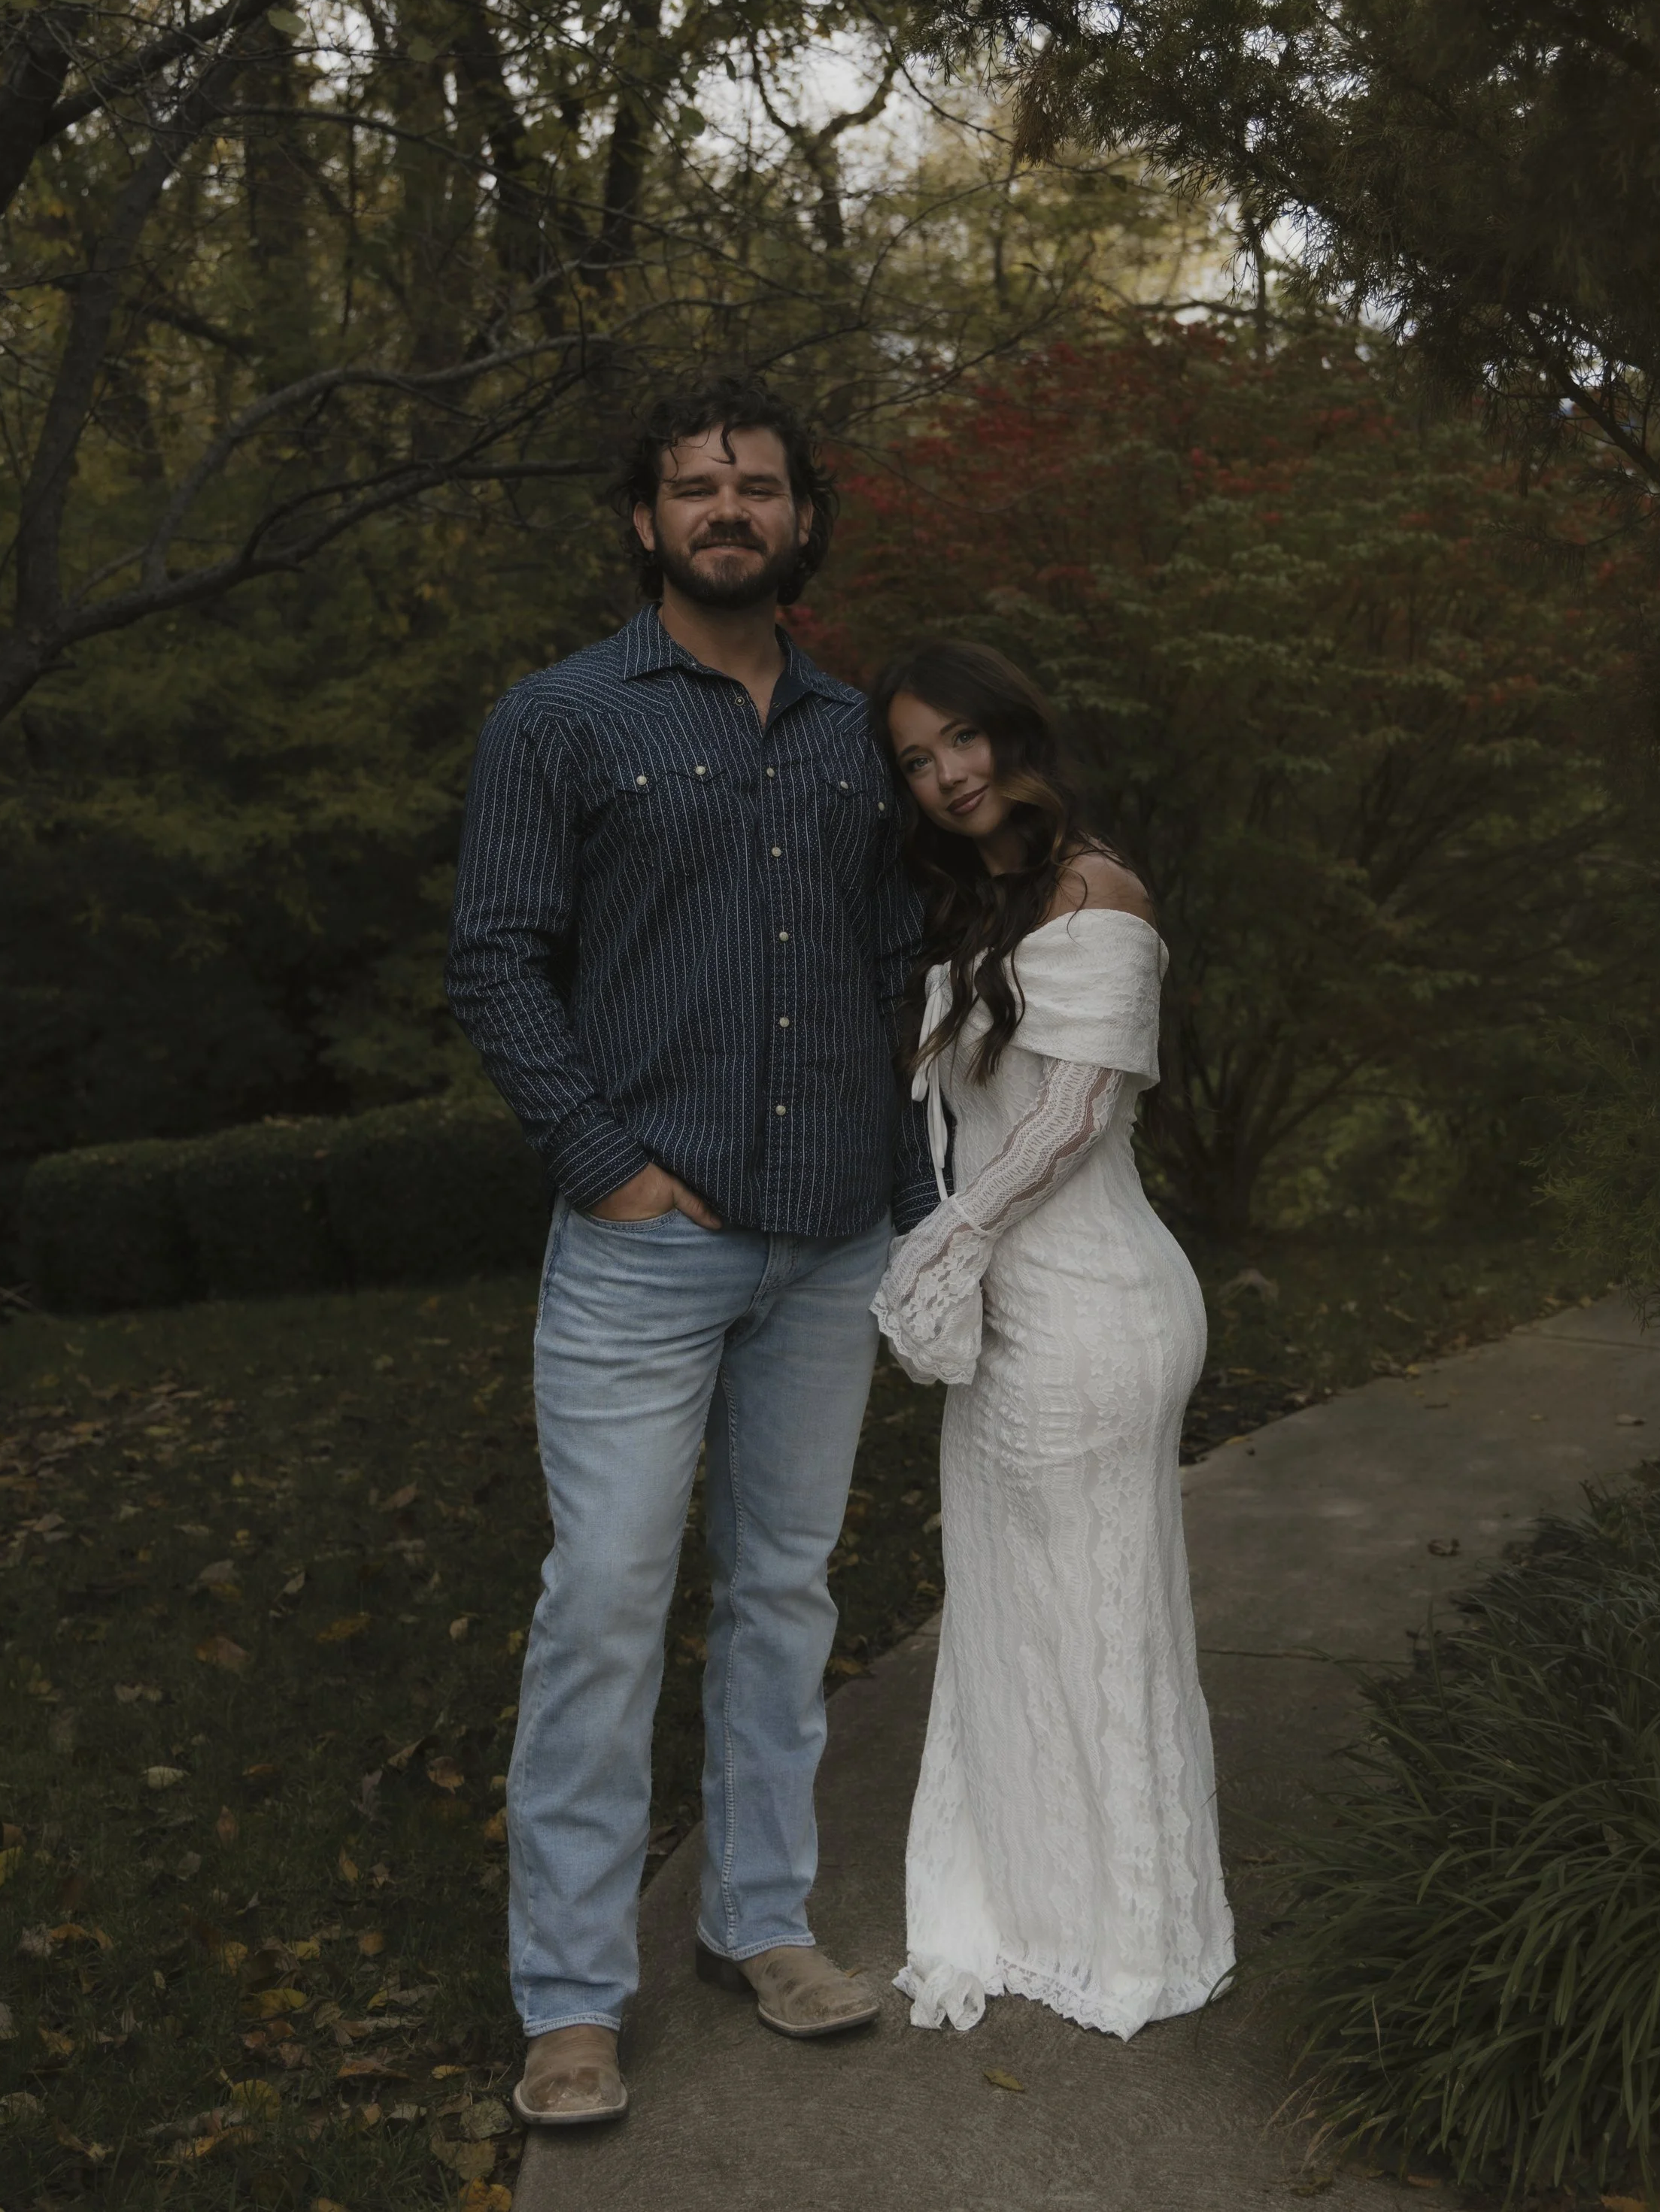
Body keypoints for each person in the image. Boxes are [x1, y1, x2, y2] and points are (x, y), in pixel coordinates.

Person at [446, 375, 936, 2130]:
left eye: (758, 486)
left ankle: (759, 1921)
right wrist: (611, 1171)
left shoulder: (854, 728)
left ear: (803, 519)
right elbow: (498, 961)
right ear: (643, 521)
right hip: (646, 1250)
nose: (728, 509)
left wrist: (914, 1184)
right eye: (694, 488)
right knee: (604, 1606)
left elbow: (905, 954)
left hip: (831, 1245)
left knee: (785, 1593)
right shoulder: (559, 721)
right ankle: (572, 2002)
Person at [869, 639, 1236, 2042]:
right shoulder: (997, 902)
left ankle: (1129, 1934)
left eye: (963, 738)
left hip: (1086, 1308)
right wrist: (955, 1254)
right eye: (916, 757)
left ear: (1016, 732)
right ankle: (1038, 1904)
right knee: (1020, 1611)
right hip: (1026, 1301)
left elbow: (1067, 1120)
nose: (948, 773)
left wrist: (944, 1248)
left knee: (1097, 1617)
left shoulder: (1098, 890)